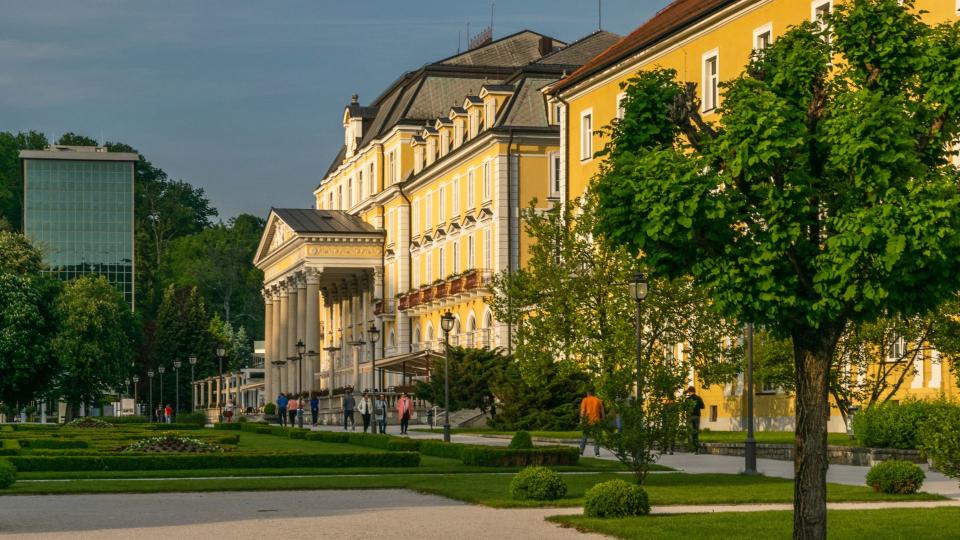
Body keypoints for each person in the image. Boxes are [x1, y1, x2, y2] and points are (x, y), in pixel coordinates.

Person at [579, 389, 604, 457]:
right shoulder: (598, 400)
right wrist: (603, 419)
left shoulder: (585, 400)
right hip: (596, 421)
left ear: (588, 393)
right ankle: (597, 453)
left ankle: (581, 452)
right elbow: (602, 410)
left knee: (584, 436)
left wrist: (581, 420)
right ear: (593, 393)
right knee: (597, 437)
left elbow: (583, 411)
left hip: (587, 421)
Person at [685, 386, 706, 454]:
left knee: (690, 433)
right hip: (697, 416)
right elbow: (703, 406)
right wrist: (697, 406)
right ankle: (696, 449)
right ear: (694, 391)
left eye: (688, 391)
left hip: (689, 417)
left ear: (689, 391)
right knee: (696, 432)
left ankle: (691, 449)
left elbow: (684, 408)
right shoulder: (698, 398)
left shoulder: (687, 399)